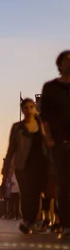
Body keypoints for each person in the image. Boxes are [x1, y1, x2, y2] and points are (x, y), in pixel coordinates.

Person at [3, 98, 49, 234]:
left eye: (31, 107)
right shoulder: (17, 127)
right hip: (22, 164)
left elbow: (49, 142)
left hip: (40, 164)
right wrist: (6, 167)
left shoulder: (42, 125)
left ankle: (32, 220)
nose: (28, 110)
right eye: (25, 108)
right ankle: (27, 221)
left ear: (34, 108)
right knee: (26, 193)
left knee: (36, 193)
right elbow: (11, 148)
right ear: (22, 110)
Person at [40, 50, 70, 239]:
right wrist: (50, 139)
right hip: (59, 143)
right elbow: (45, 118)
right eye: (66, 61)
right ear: (60, 65)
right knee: (63, 185)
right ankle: (66, 224)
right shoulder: (50, 88)